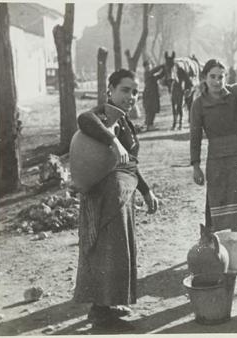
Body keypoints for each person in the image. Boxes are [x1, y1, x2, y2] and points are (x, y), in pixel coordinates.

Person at [73, 69, 159, 330]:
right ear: (110, 89)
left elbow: (131, 163)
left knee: (120, 250)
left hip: (123, 195)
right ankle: (100, 312)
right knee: (105, 250)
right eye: (125, 90)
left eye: (135, 92)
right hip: (104, 196)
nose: (131, 96)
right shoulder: (103, 115)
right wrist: (114, 141)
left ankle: (109, 304)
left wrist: (146, 190)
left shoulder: (126, 122)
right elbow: (83, 118)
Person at [190, 59, 237, 232]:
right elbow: (195, 137)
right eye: (212, 76)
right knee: (217, 199)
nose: (217, 81)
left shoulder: (234, 93)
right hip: (217, 158)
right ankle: (215, 246)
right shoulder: (198, 104)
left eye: (221, 77)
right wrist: (196, 166)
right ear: (204, 77)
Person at [142, 60, 164, 131]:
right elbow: (154, 71)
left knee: (153, 110)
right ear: (145, 68)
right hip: (149, 95)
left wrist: (164, 70)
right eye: (147, 66)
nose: (149, 67)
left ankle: (150, 125)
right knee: (150, 110)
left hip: (153, 95)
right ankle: (149, 125)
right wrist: (161, 66)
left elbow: (159, 76)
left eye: (150, 66)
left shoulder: (151, 75)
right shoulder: (147, 73)